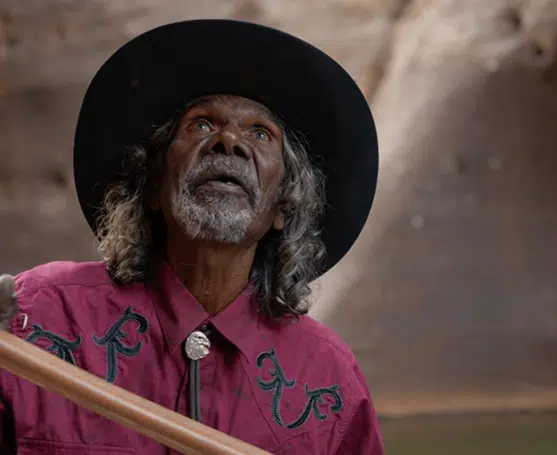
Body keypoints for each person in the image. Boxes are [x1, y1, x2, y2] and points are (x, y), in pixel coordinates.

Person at [0, 19, 382, 454]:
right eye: (201, 125)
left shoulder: (329, 380)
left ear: (283, 207)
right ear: (152, 186)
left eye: (260, 133)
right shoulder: (39, 316)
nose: (229, 141)